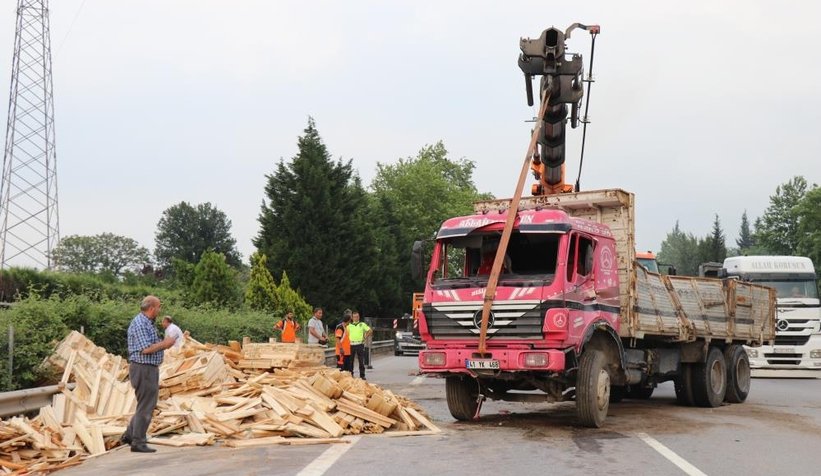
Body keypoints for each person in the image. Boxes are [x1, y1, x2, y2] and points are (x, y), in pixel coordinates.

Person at [121, 296, 176, 453]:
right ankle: (138, 442)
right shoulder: (140, 324)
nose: (160, 310)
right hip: (143, 369)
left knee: (144, 404)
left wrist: (163, 345)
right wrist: (165, 344)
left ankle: (130, 435)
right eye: (159, 307)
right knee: (146, 405)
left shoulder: (146, 323)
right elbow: (145, 349)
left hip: (147, 368)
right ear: (152, 308)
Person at [347, 311, 372, 379]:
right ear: (352, 317)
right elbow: (346, 334)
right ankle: (351, 374)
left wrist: (365, 337)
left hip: (360, 344)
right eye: (354, 317)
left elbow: (370, 330)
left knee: (361, 361)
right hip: (351, 344)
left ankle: (362, 375)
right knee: (351, 361)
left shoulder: (362, 324)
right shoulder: (349, 326)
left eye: (357, 317)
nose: (356, 318)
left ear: (359, 317)